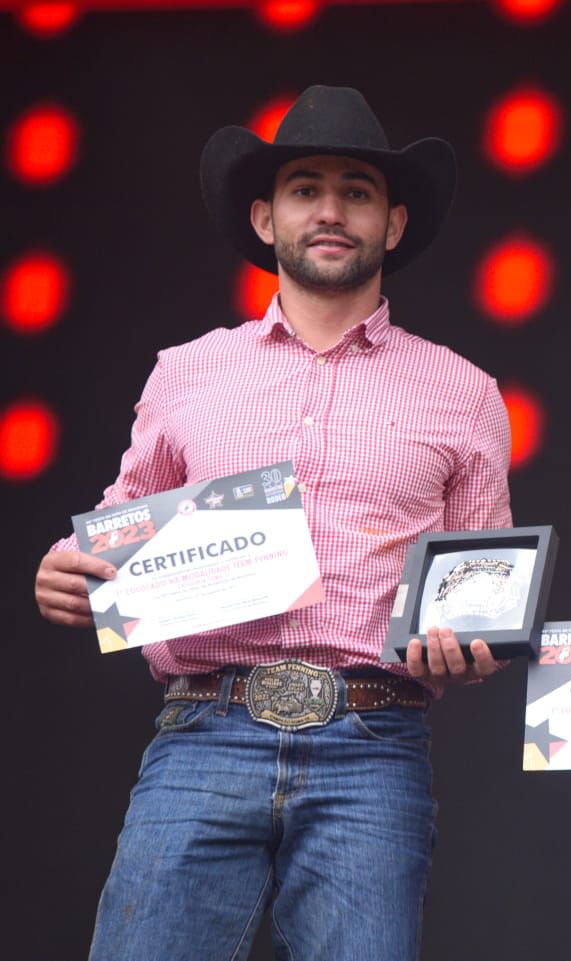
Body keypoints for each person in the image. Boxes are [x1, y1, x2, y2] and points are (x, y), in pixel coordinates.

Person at [32, 85, 511, 961]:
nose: (330, 211)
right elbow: (113, 527)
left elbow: (477, 586)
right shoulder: (185, 371)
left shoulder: (466, 393)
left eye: (357, 191)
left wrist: (471, 644)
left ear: (392, 225)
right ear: (264, 217)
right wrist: (66, 567)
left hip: (374, 745)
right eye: (305, 189)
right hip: (201, 734)